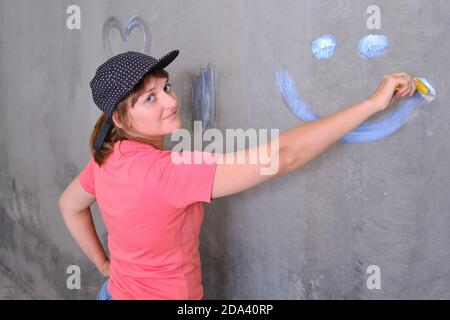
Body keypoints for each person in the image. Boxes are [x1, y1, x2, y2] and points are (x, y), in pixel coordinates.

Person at [58, 49, 417, 300]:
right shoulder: (167, 172)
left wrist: (104, 264)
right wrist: (371, 104)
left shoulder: (107, 158)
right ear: (120, 119)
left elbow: (69, 204)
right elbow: (283, 156)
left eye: (165, 88)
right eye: (149, 99)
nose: (170, 101)